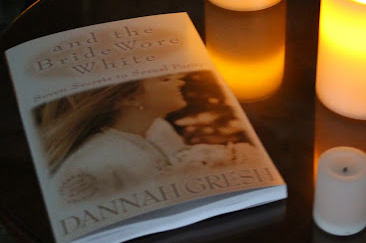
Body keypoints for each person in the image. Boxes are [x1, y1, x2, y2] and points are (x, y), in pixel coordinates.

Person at [37, 73, 259, 202]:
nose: (180, 81)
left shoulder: (160, 129)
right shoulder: (96, 163)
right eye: (165, 79)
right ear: (130, 99)